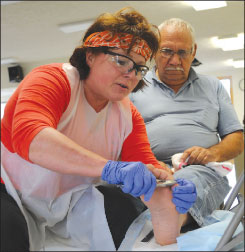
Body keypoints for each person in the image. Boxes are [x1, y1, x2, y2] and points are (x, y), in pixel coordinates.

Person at [1, 9, 196, 251]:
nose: (130, 73)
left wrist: (170, 186)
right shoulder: (52, 80)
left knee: (123, 207)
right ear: (90, 55)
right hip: (10, 193)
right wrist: (108, 168)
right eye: (121, 60)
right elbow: (30, 136)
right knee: (8, 233)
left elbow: (148, 167)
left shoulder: (127, 116)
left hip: (68, 205)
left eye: (139, 67)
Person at [130, 18, 244, 232]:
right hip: (149, 170)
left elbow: (236, 139)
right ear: (154, 50)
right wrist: (151, 164)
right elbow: (119, 140)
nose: (174, 61)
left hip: (202, 171)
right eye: (166, 52)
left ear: (194, 51)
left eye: (182, 53)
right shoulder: (133, 88)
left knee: (184, 182)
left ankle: (167, 225)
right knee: (111, 189)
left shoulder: (213, 87)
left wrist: (211, 153)